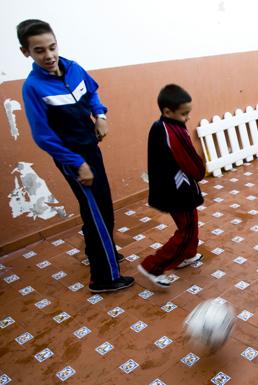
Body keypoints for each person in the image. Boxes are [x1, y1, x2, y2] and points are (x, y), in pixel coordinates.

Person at [18, 19, 134, 293]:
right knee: (99, 210)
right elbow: (43, 136)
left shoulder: (73, 67)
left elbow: (91, 92)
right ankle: (103, 278)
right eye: (39, 51)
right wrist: (77, 163)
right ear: (26, 53)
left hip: (91, 149)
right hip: (73, 158)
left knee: (96, 206)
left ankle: (98, 250)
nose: (48, 56)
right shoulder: (33, 87)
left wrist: (100, 115)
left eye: (52, 47)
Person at [137, 84, 205, 288]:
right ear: (168, 111)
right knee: (187, 229)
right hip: (178, 191)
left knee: (190, 223)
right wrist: (200, 172)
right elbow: (191, 163)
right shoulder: (173, 131)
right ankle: (153, 267)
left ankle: (188, 255)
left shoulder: (159, 125)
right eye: (184, 114)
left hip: (170, 189)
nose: (187, 118)